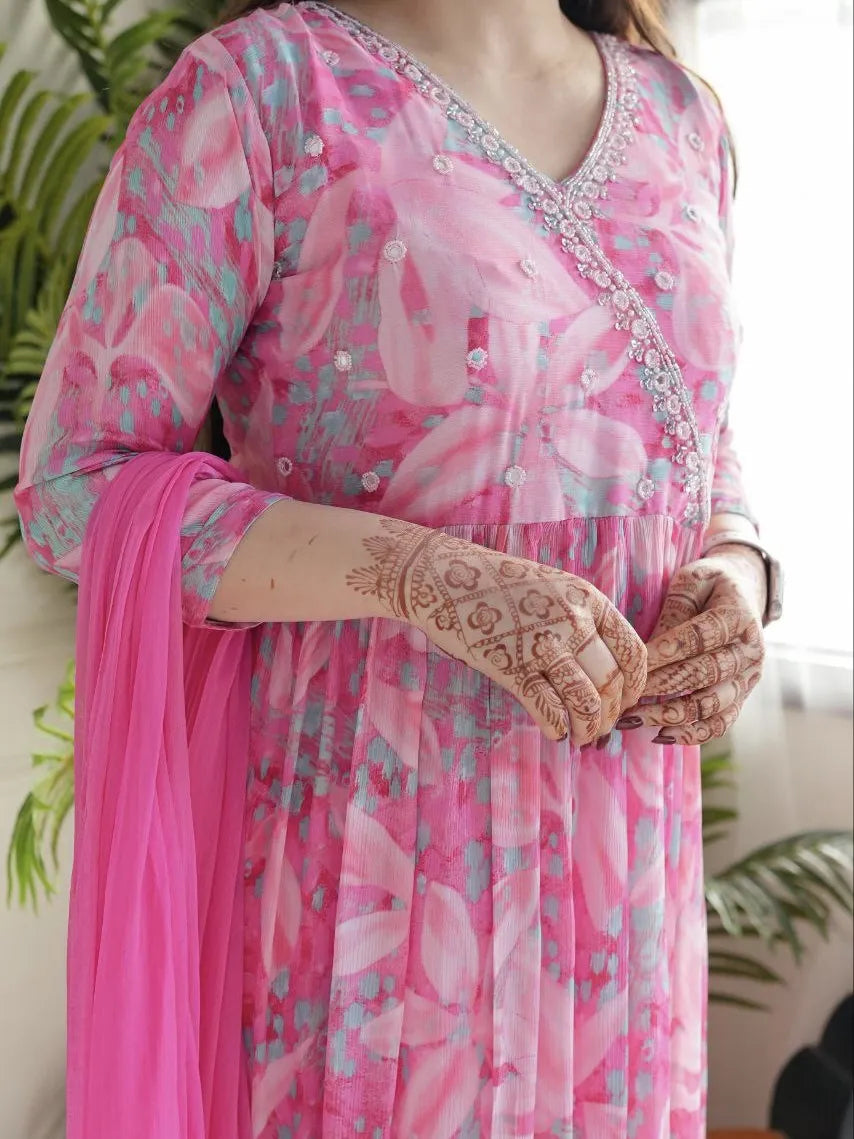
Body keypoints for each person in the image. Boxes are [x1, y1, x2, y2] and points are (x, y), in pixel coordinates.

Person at [15, 0, 784, 1135]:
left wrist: (740, 571)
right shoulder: (261, 95)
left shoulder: (681, 118)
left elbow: (693, 438)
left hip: (620, 895)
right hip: (373, 873)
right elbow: (77, 486)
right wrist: (416, 575)